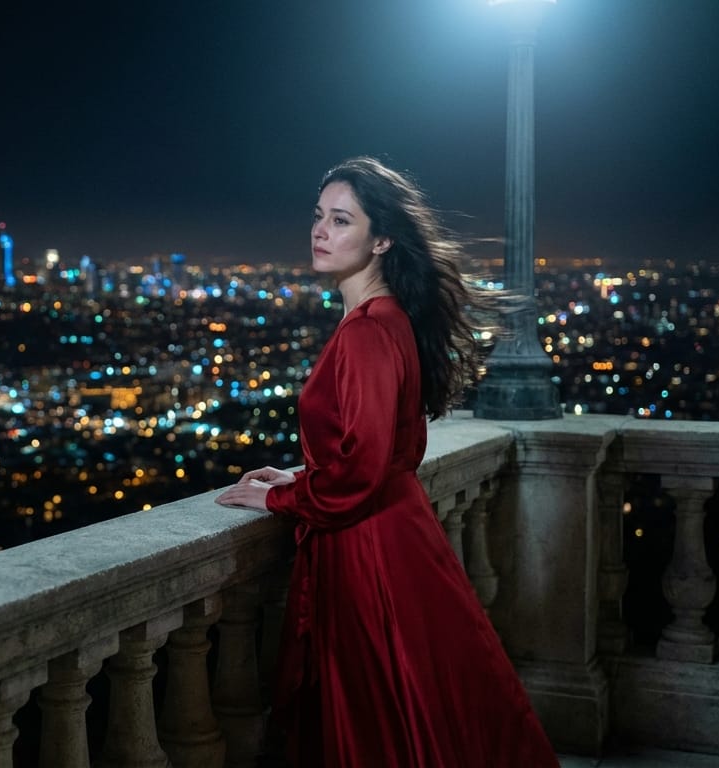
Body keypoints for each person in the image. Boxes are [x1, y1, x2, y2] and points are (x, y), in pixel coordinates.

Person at [215, 157, 559, 767]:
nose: (320, 230)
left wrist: (279, 498)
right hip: (400, 535)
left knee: (382, 716)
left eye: (341, 219)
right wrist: (301, 475)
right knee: (420, 705)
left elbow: (365, 468)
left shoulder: (368, 330)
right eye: (319, 216)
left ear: (380, 239)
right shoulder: (392, 319)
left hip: (368, 550)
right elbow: (387, 449)